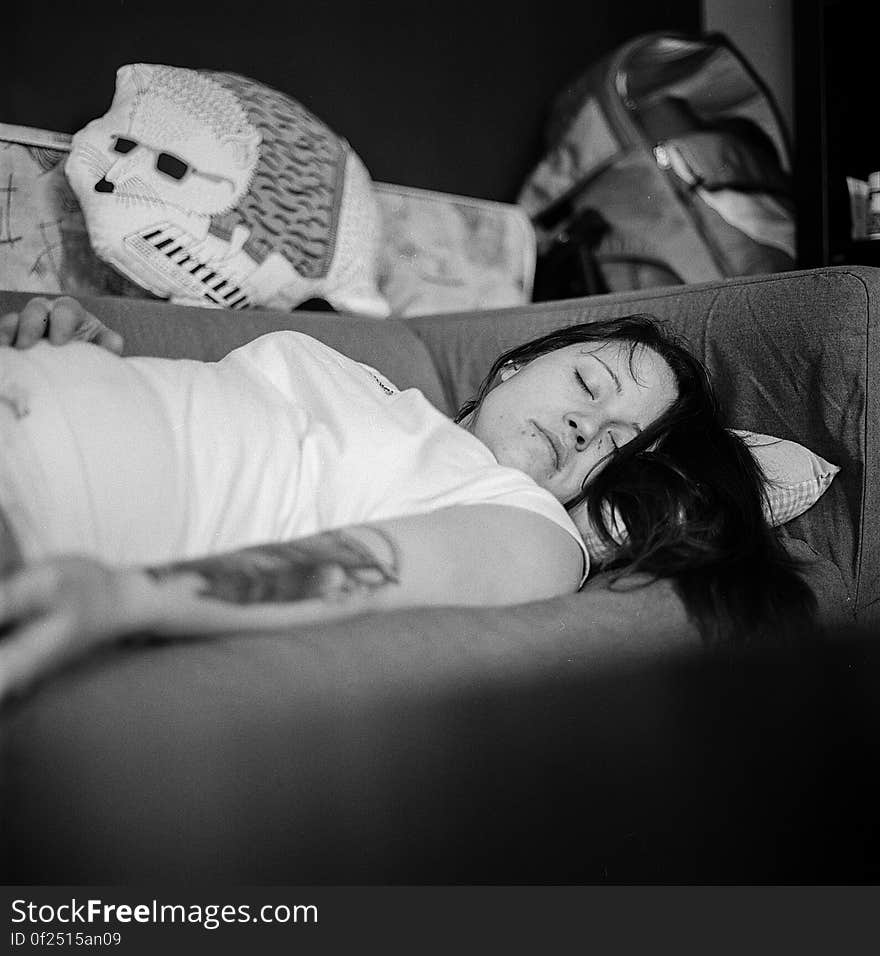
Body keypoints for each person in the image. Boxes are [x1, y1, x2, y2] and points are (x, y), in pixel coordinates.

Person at [0, 295, 814, 703]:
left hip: (36, 509)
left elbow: (366, 570)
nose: (586, 423)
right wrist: (79, 349)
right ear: (513, 367)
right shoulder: (358, 376)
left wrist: (120, 597)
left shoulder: (527, 527)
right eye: (591, 383)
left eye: (616, 443)